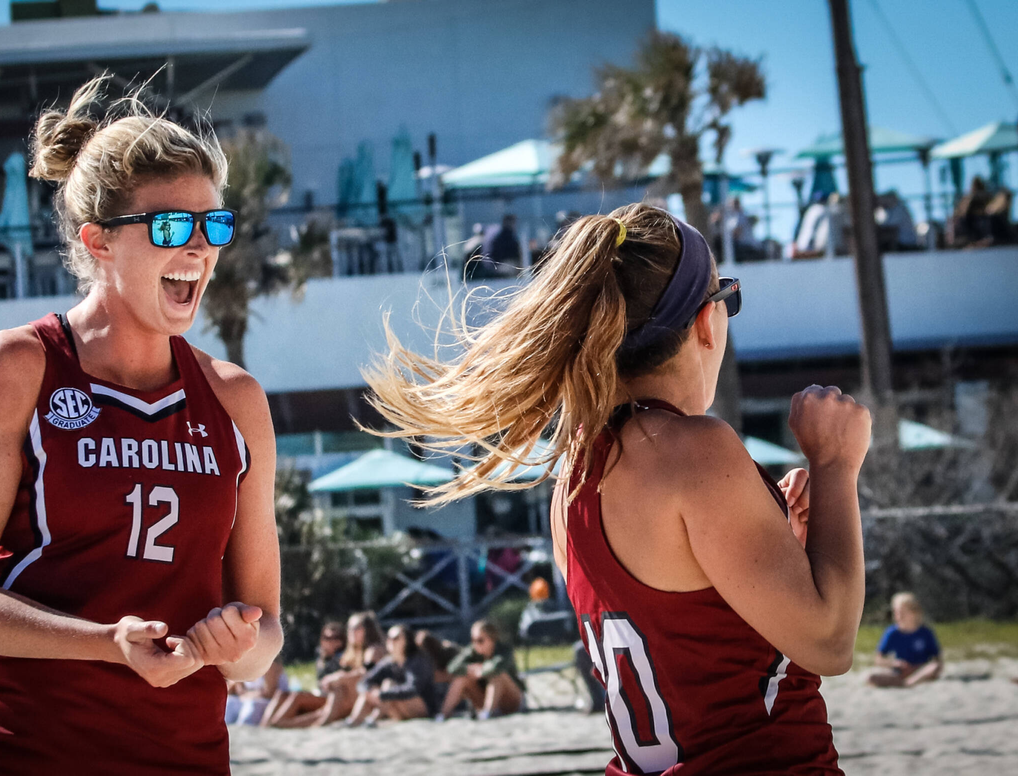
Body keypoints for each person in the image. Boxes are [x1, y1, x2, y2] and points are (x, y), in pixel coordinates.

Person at [365, 203, 870, 773]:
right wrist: (835, 464)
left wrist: (776, 537)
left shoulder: (575, 474)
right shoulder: (690, 450)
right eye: (726, 295)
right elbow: (830, 641)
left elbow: (687, 630)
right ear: (705, 321)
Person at [0, 75, 282, 774]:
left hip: (185, 755)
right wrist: (103, 640)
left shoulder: (236, 400)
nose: (200, 248)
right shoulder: (13, 369)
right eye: (172, 226)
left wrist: (230, 641)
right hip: (22, 751)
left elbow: (264, 631)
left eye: (214, 225)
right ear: (99, 241)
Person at [347, 625, 436, 726]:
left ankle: (374, 718)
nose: (391, 641)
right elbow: (363, 682)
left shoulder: (418, 660)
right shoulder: (389, 661)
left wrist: (383, 694)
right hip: (398, 710)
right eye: (388, 638)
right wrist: (371, 691)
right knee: (370, 690)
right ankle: (353, 721)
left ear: (407, 640)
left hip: (422, 709)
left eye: (396, 638)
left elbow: (413, 689)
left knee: (388, 684)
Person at [261, 621, 344, 728]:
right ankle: (264, 726)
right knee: (281, 694)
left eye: (335, 638)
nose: (331, 642)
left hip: (333, 698)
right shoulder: (322, 657)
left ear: (342, 641)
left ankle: (277, 724)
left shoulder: (342, 658)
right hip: (320, 693)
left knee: (297, 697)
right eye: (326, 638)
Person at [440, 620, 524, 720]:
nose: (476, 644)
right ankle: (443, 715)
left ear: (492, 639)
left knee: (496, 675)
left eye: (480, 640)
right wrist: (470, 669)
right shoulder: (472, 651)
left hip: (512, 701)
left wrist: (481, 670)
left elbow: (497, 666)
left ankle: (487, 713)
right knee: (461, 678)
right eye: (473, 640)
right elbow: (452, 668)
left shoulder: (503, 650)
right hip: (485, 699)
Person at [868, 592, 942, 688]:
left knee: (933, 668)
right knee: (872, 677)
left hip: (920, 670)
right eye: (896, 612)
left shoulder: (925, 633)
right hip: (901, 671)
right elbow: (878, 659)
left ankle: (907, 683)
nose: (898, 616)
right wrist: (894, 664)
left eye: (902, 612)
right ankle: (907, 682)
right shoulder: (892, 632)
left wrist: (918, 666)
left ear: (914, 612)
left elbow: (937, 660)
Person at [224, 660, 286, 726]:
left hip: (272, 701)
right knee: (230, 702)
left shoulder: (271, 664)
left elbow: (269, 693)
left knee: (251, 705)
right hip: (248, 698)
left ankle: (245, 727)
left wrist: (245, 695)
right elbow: (235, 689)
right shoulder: (243, 664)